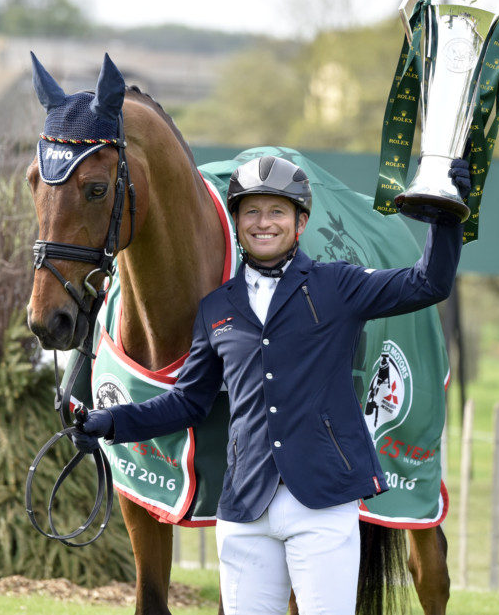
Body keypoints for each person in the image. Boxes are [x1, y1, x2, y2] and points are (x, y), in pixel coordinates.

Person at [76, 154, 469, 614]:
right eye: (252, 212)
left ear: (301, 223)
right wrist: (108, 422)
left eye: (277, 212)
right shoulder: (217, 308)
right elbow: (187, 403)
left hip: (323, 504)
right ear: (236, 221)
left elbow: (428, 283)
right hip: (245, 508)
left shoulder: (337, 286)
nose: (264, 223)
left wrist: (447, 211)